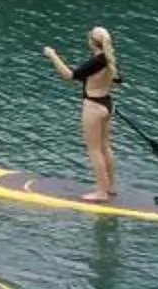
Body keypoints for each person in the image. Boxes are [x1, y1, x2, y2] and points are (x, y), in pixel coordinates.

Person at [43, 27, 121, 201]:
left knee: (94, 150)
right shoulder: (110, 59)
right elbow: (116, 82)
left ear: (92, 42)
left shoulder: (96, 62)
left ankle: (101, 192)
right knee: (105, 147)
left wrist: (52, 55)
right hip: (107, 104)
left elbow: (69, 75)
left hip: (93, 106)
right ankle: (111, 187)